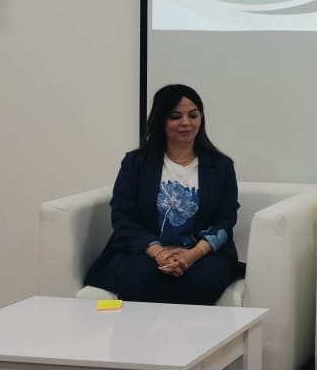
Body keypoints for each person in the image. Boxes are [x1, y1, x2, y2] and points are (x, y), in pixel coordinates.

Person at [84, 84, 240, 305]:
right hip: (145, 251)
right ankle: (138, 329)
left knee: (202, 281)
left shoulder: (221, 166)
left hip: (202, 253)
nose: (186, 123)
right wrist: (159, 253)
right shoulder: (136, 163)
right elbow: (122, 217)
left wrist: (192, 255)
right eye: (175, 116)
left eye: (193, 115)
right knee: (138, 277)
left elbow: (226, 219)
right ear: (161, 120)